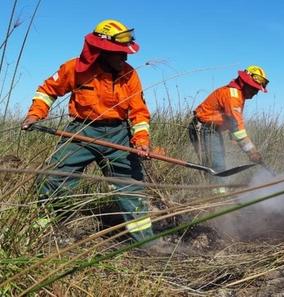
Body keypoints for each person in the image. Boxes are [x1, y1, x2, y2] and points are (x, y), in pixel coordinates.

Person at [21, 19, 155, 244]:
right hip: (81, 133)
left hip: (118, 135)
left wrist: (141, 140)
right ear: (102, 51)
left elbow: (139, 113)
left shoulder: (130, 75)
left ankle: (147, 244)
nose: (125, 57)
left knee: (131, 189)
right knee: (53, 180)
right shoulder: (74, 68)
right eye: (120, 53)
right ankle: (44, 233)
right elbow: (47, 90)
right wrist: (36, 113)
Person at [188, 65, 269, 193]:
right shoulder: (233, 96)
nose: (255, 93)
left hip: (212, 129)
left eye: (257, 89)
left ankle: (214, 192)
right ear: (244, 83)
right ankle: (218, 197)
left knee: (216, 163)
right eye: (254, 89)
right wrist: (251, 151)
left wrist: (234, 138)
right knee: (216, 164)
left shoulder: (238, 94)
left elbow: (231, 121)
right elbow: (237, 128)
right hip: (203, 128)